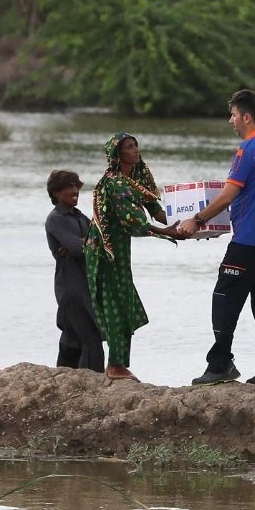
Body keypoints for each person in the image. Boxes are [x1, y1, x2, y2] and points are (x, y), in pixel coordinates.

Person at [179, 89, 255, 387]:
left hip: (250, 242)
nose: (231, 120)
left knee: (224, 298)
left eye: (233, 114)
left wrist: (197, 219)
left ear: (246, 116)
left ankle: (220, 365)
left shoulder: (249, 149)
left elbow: (228, 195)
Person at [85, 133, 180, 381]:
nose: (135, 150)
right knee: (115, 302)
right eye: (129, 147)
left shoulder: (136, 177)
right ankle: (115, 365)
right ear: (118, 155)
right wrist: (168, 232)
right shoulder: (115, 183)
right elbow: (134, 222)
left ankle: (118, 364)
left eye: (136, 145)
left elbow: (155, 210)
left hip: (120, 248)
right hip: (105, 250)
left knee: (124, 298)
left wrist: (190, 225)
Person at [45, 169, 104, 372]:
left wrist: (86, 244)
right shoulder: (56, 219)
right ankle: (95, 382)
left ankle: (61, 378)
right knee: (91, 336)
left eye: (76, 186)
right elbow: (78, 248)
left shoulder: (79, 217)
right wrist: (86, 244)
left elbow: (100, 242)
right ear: (56, 193)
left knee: (72, 337)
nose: (75, 190)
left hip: (85, 284)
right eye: (69, 187)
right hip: (70, 287)